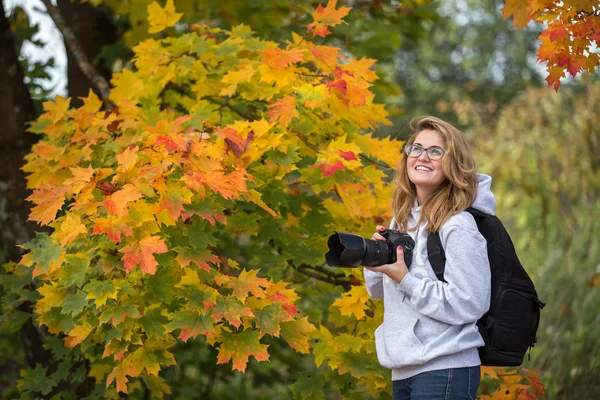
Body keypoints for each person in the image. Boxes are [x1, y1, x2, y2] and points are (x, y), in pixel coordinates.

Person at [364, 116, 495, 400]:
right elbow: (378, 292)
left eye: (435, 151)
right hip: (404, 367)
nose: (423, 156)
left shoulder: (457, 224)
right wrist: (378, 265)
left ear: (453, 164)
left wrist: (407, 280)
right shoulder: (401, 220)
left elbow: (471, 302)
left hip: (445, 365)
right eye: (416, 148)